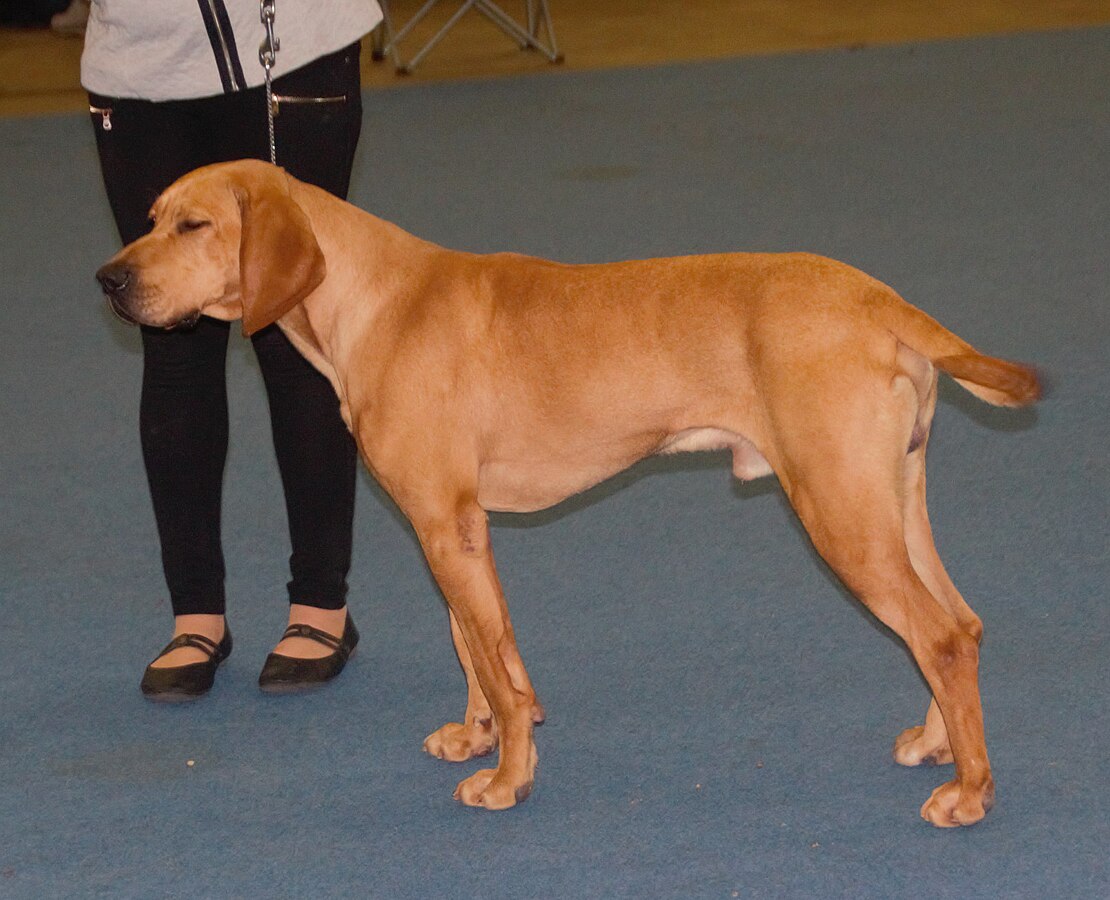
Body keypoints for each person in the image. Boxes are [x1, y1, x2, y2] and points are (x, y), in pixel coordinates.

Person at [82, 1, 383, 700]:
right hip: (140, 58)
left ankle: (320, 604)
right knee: (170, 341)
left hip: (288, 43)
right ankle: (196, 616)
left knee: (292, 325)